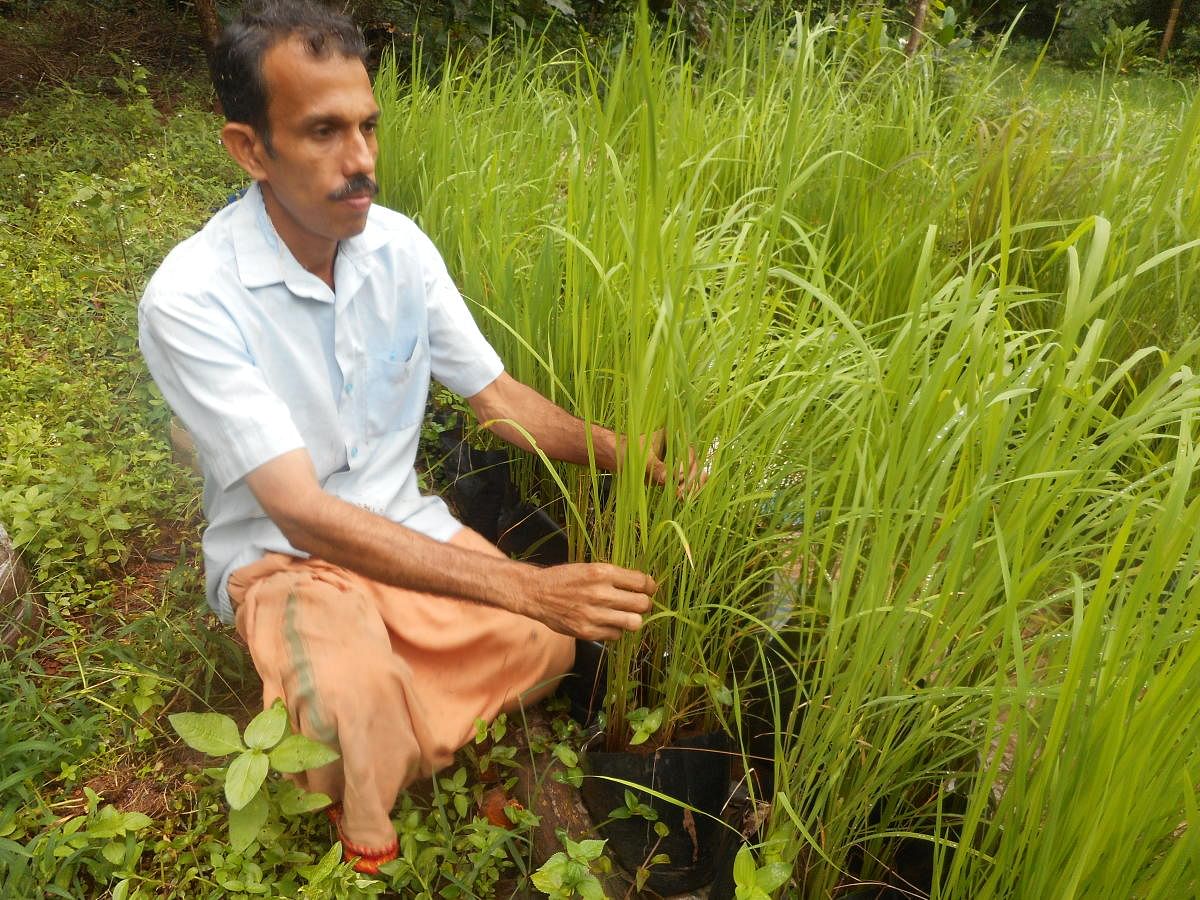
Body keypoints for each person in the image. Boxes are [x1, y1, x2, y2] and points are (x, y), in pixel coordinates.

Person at [138, 0, 675, 874]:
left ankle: (387, 714)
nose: (361, 163)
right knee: (362, 695)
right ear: (249, 149)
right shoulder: (192, 297)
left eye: (367, 126)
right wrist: (527, 587)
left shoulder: (399, 249)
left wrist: (632, 456)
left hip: (403, 527)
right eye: (321, 132)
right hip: (286, 556)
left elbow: (497, 400)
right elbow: (304, 514)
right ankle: (368, 789)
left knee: (550, 645)